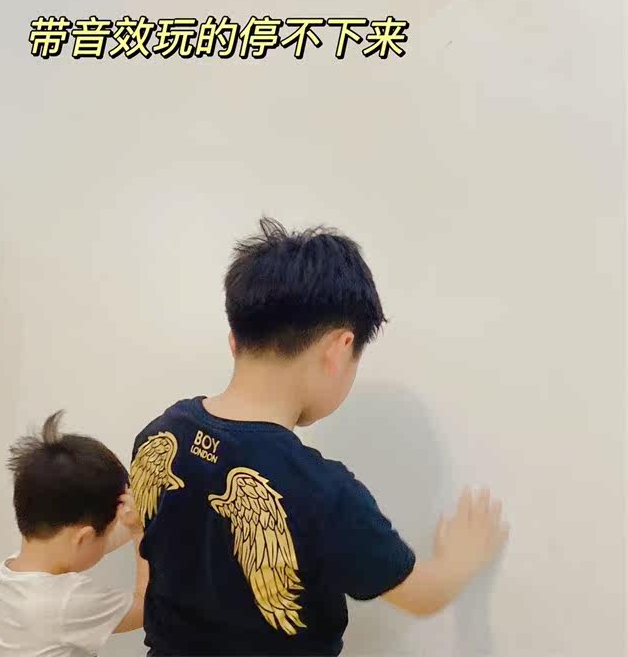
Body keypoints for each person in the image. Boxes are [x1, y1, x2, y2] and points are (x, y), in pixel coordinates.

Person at [130, 218, 509, 656]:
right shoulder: (325, 492)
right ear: (339, 349)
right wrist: (460, 560)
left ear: (235, 339)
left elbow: (150, 540)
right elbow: (421, 595)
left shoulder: (160, 435)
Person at [0, 410, 147, 656]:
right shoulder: (64, 602)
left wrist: (132, 518)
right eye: (106, 534)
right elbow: (145, 608)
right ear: (83, 538)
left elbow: (87, 546)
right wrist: (139, 532)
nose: (107, 541)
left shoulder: (6, 576)